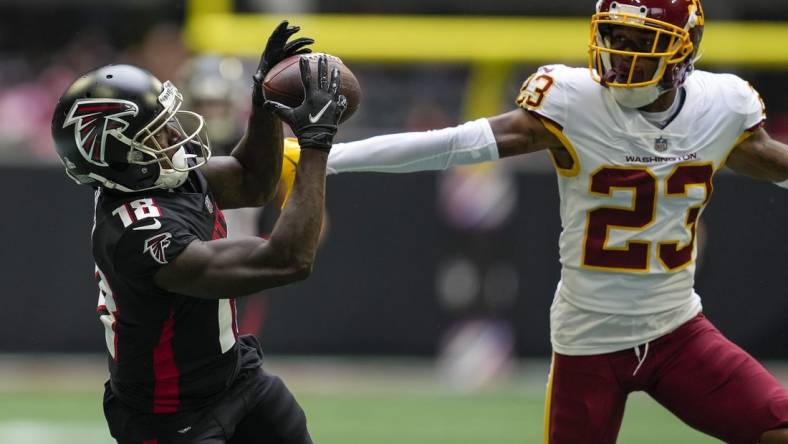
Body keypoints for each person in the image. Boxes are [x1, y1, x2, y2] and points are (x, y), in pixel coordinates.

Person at [319, 1, 788, 442]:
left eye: (638, 43)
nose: (620, 58)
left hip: (678, 332)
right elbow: (454, 144)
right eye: (614, 38)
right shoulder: (572, 100)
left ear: (683, 51)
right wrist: (328, 157)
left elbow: (769, 160)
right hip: (589, 342)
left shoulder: (722, 105)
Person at [50, 21, 347, 444]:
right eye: (157, 133)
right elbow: (288, 259)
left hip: (234, 376)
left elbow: (252, 180)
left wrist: (264, 101)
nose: (174, 135)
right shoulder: (137, 233)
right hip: (169, 415)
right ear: (116, 155)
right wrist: (316, 143)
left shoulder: (155, 176)